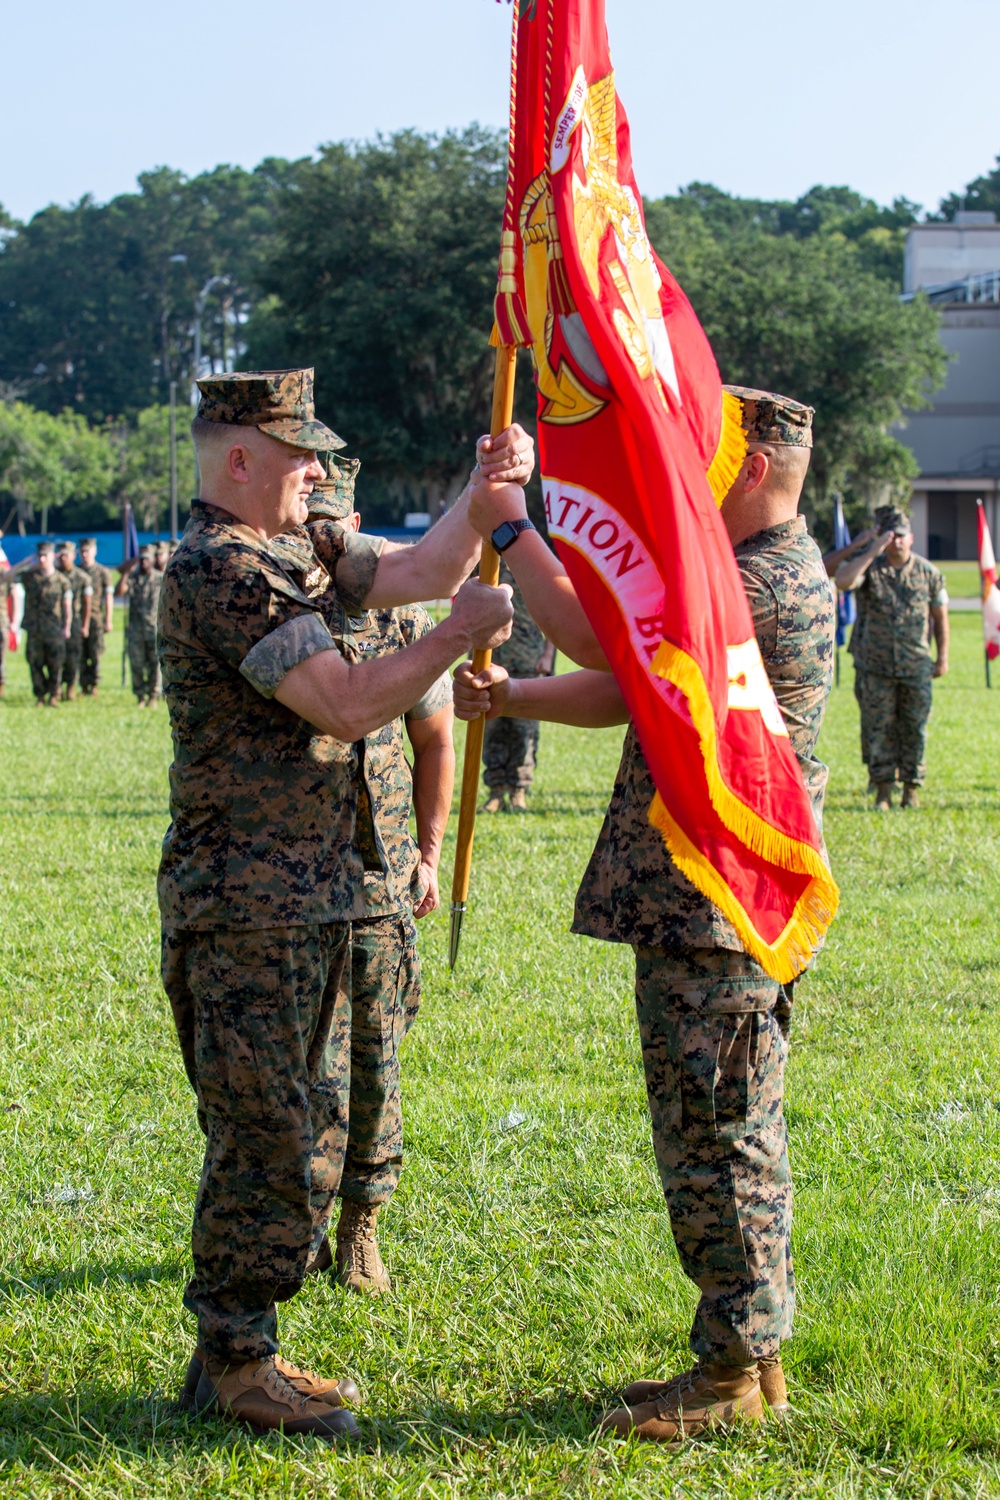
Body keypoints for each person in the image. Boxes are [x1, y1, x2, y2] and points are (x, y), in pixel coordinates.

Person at [454, 387, 835, 1443]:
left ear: (752, 468)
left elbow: (597, 637)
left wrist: (514, 527)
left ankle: (727, 1374)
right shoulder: (754, 570)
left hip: (711, 905)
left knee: (715, 1138)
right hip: (714, 900)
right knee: (725, 1130)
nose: (692, 463)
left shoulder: (755, 581)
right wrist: (516, 701)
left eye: (711, 449)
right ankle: (747, 1360)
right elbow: (637, 684)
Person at [158, 367, 524, 1438]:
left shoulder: (300, 543)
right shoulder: (222, 569)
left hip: (314, 899)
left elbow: (411, 568)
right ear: (238, 462)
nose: (318, 468)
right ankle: (232, 1364)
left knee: (304, 1129)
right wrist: (456, 636)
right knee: (267, 1136)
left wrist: (478, 487)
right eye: (297, 453)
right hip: (247, 912)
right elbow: (346, 698)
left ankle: (241, 1355)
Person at [301, 452, 455, 1294]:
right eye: (311, 528)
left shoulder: (399, 617)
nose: (326, 546)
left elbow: (434, 740)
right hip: (289, 883)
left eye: (337, 529)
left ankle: (362, 1221)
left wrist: (426, 855)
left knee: (376, 1057)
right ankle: (302, 1223)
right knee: (298, 1067)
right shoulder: (272, 604)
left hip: (380, 876)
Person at [835, 506, 949, 810]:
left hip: (915, 665)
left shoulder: (928, 573)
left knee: (914, 727)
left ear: (911, 538)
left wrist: (943, 657)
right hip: (875, 666)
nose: (895, 541)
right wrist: (872, 551)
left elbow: (940, 616)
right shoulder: (871, 568)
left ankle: (911, 788)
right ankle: (883, 789)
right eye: (890, 536)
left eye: (900, 536)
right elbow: (843, 581)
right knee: (878, 728)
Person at [480, 559, 556, 813]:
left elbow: (551, 618)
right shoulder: (486, 567)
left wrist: (547, 655)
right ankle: (495, 792)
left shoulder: (535, 568)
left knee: (525, 731)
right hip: (490, 662)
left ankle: (518, 791)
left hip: (527, 662)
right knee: (491, 729)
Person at [21, 541, 73, 706]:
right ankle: (40, 696)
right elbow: (7, 576)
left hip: (54, 629)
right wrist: (25, 562)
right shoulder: (30, 577)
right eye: (40, 556)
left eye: (45, 556)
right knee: (34, 663)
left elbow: (67, 607)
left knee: (55, 664)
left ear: (53, 557)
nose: (42, 559)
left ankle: (54, 695)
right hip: (34, 629)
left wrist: (67, 627)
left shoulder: (62, 580)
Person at [116, 545, 163, 705]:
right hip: (135, 630)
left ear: (153, 560)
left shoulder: (160, 578)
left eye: (147, 559)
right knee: (136, 664)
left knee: (154, 665)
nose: (144, 562)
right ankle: (140, 696)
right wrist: (126, 573)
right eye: (141, 559)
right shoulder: (133, 578)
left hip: (154, 629)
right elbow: (119, 592)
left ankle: (153, 695)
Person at [55, 541, 93, 701]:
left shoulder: (82, 577)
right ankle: (55, 689)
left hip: (75, 621)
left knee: (73, 658)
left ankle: (70, 687)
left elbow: (87, 604)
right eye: (60, 555)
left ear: (73, 555)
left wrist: (85, 625)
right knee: (55, 658)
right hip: (55, 622)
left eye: (66, 555)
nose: (63, 558)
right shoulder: (53, 575)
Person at [79, 538, 115, 696]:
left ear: (95, 552)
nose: (85, 554)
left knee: (95, 653)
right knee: (79, 653)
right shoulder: (77, 571)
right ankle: (83, 685)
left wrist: (108, 619)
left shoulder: (102, 572)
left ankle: (94, 684)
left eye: (88, 551)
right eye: (82, 551)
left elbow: (108, 597)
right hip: (78, 619)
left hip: (96, 618)